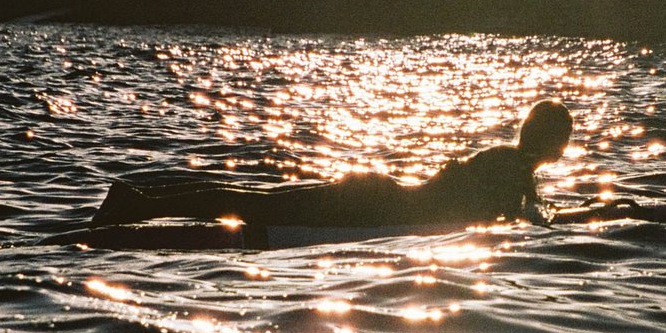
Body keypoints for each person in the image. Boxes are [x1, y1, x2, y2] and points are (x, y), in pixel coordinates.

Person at [90, 101, 573, 230]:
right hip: (377, 209)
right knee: (252, 206)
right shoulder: (516, 172)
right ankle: (137, 204)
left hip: (378, 193)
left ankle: (139, 202)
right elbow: (524, 222)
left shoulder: (503, 159)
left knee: (252, 201)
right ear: (555, 142)